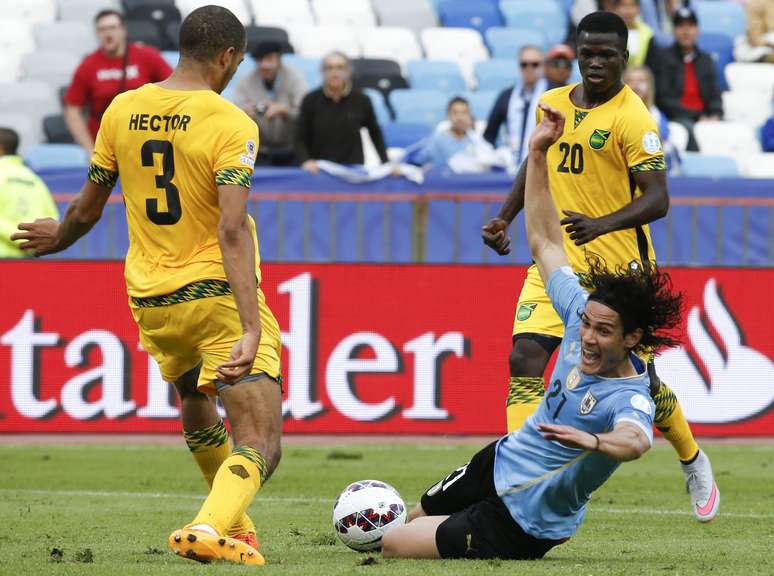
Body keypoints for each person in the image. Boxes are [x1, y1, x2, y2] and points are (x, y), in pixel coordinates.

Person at [13, 6, 282, 566]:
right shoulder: (231, 123)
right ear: (229, 57)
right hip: (212, 293)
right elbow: (230, 228)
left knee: (194, 397)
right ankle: (210, 524)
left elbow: (87, 208)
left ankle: (239, 529)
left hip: (151, 299)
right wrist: (251, 326)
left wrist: (58, 237)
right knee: (260, 438)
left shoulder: (122, 109)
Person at [383, 103, 682, 560]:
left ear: (632, 339)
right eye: (586, 324)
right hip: (501, 460)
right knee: (410, 519)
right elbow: (544, 240)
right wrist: (538, 153)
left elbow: (635, 439)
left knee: (391, 542)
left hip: (525, 519)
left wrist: (595, 441)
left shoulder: (629, 395)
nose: (586, 336)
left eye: (603, 331)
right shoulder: (579, 311)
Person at [481, 11, 719, 522]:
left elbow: (658, 199)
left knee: (645, 387)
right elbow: (536, 162)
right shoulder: (554, 103)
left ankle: (693, 459)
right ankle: (519, 470)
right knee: (524, 357)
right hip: (557, 264)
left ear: (624, 56)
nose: (595, 62)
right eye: (587, 52)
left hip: (621, 276)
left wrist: (602, 224)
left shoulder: (633, 118)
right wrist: (504, 216)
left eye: (607, 54)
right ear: (577, 50)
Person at [63, 9, 172, 155]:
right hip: (106, 147)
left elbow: (175, 88)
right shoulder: (88, 64)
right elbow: (72, 110)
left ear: (123, 30)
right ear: (96, 33)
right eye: (102, 29)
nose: (107, 33)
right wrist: (90, 150)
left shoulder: (147, 56)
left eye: (112, 28)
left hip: (147, 143)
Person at [295, 51, 388, 174]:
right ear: (322, 72)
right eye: (329, 68)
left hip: (353, 170)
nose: (335, 72)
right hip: (319, 170)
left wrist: (387, 164)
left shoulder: (362, 100)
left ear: (348, 71)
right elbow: (299, 136)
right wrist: (305, 160)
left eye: (340, 67)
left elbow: (375, 134)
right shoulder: (310, 100)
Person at [654, 7, 723, 152]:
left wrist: (716, 114)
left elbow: (715, 93)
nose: (686, 31)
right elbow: (663, 99)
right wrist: (698, 116)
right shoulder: (662, 58)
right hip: (677, 117)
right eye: (680, 26)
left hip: (705, 117)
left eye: (690, 26)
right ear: (674, 31)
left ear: (698, 31)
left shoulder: (706, 59)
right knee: (688, 129)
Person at [233, 41, 307, 166]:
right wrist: (245, 114)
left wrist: (284, 111)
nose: (264, 65)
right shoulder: (245, 81)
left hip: (291, 150)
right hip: (258, 151)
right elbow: (235, 115)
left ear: (279, 60)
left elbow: (305, 113)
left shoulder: (295, 78)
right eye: (260, 60)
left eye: (269, 59)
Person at [483, 45, 549, 164]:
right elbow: (489, 135)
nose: (529, 68)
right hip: (512, 166)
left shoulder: (553, 95)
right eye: (524, 64)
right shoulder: (506, 96)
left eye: (535, 64)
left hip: (545, 166)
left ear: (543, 66)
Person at [0, 129, 59, 258]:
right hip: (29, 260)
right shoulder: (35, 180)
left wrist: (15, 235)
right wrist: (27, 239)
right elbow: (52, 218)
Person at [413, 97, 494, 171]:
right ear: (448, 116)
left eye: (464, 112)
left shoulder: (477, 141)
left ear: (470, 116)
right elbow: (416, 163)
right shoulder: (437, 140)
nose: (460, 117)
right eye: (455, 112)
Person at [624, 65, 680, 171]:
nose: (635, 85)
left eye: (641, 81)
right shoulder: (615, 112)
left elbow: (662, 143)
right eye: (631, 81)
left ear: (649, 85)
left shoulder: (657, 116)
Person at [611, 0, 658, 69]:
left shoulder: (648, 33)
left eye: (632, 5)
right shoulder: (609, 33)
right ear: (615, 9)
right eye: (623, 5)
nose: (628, 10)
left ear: (639, 9)